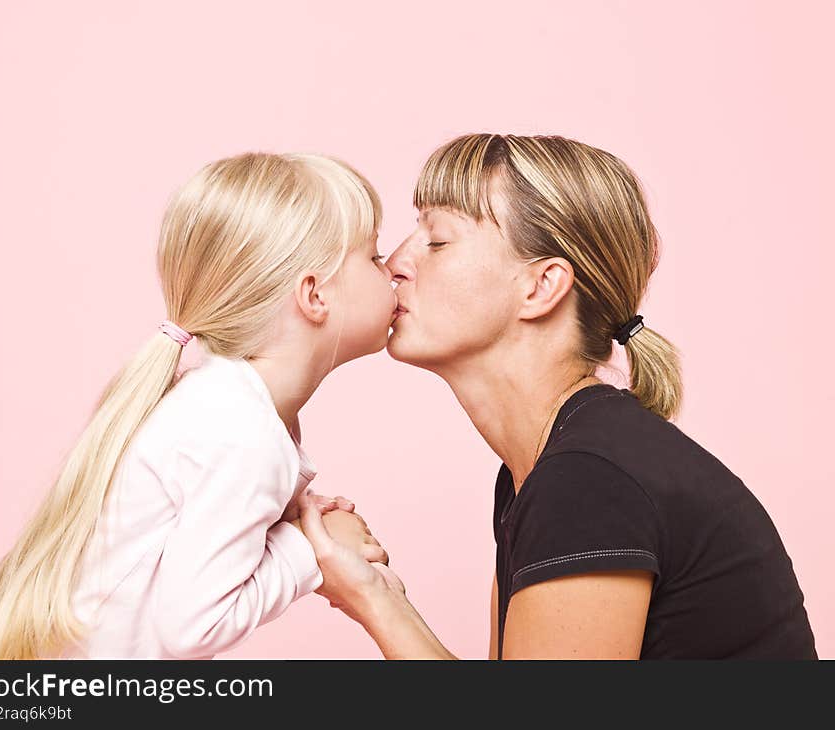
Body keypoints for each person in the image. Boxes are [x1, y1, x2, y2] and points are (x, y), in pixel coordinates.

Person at [298, 133, 818, 659]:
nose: (395, 263)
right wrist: (372, 589)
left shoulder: (589, 480)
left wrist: (370, 598)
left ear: (542, 286)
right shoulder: (542, 473)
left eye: (437, 241)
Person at [0, 151, 393, 659]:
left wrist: (297, 519)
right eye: (374, 255)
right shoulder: (242, 430)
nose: (394, 269)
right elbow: (193, 629)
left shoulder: (225, 404)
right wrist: (312, 550)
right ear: (314, 294)